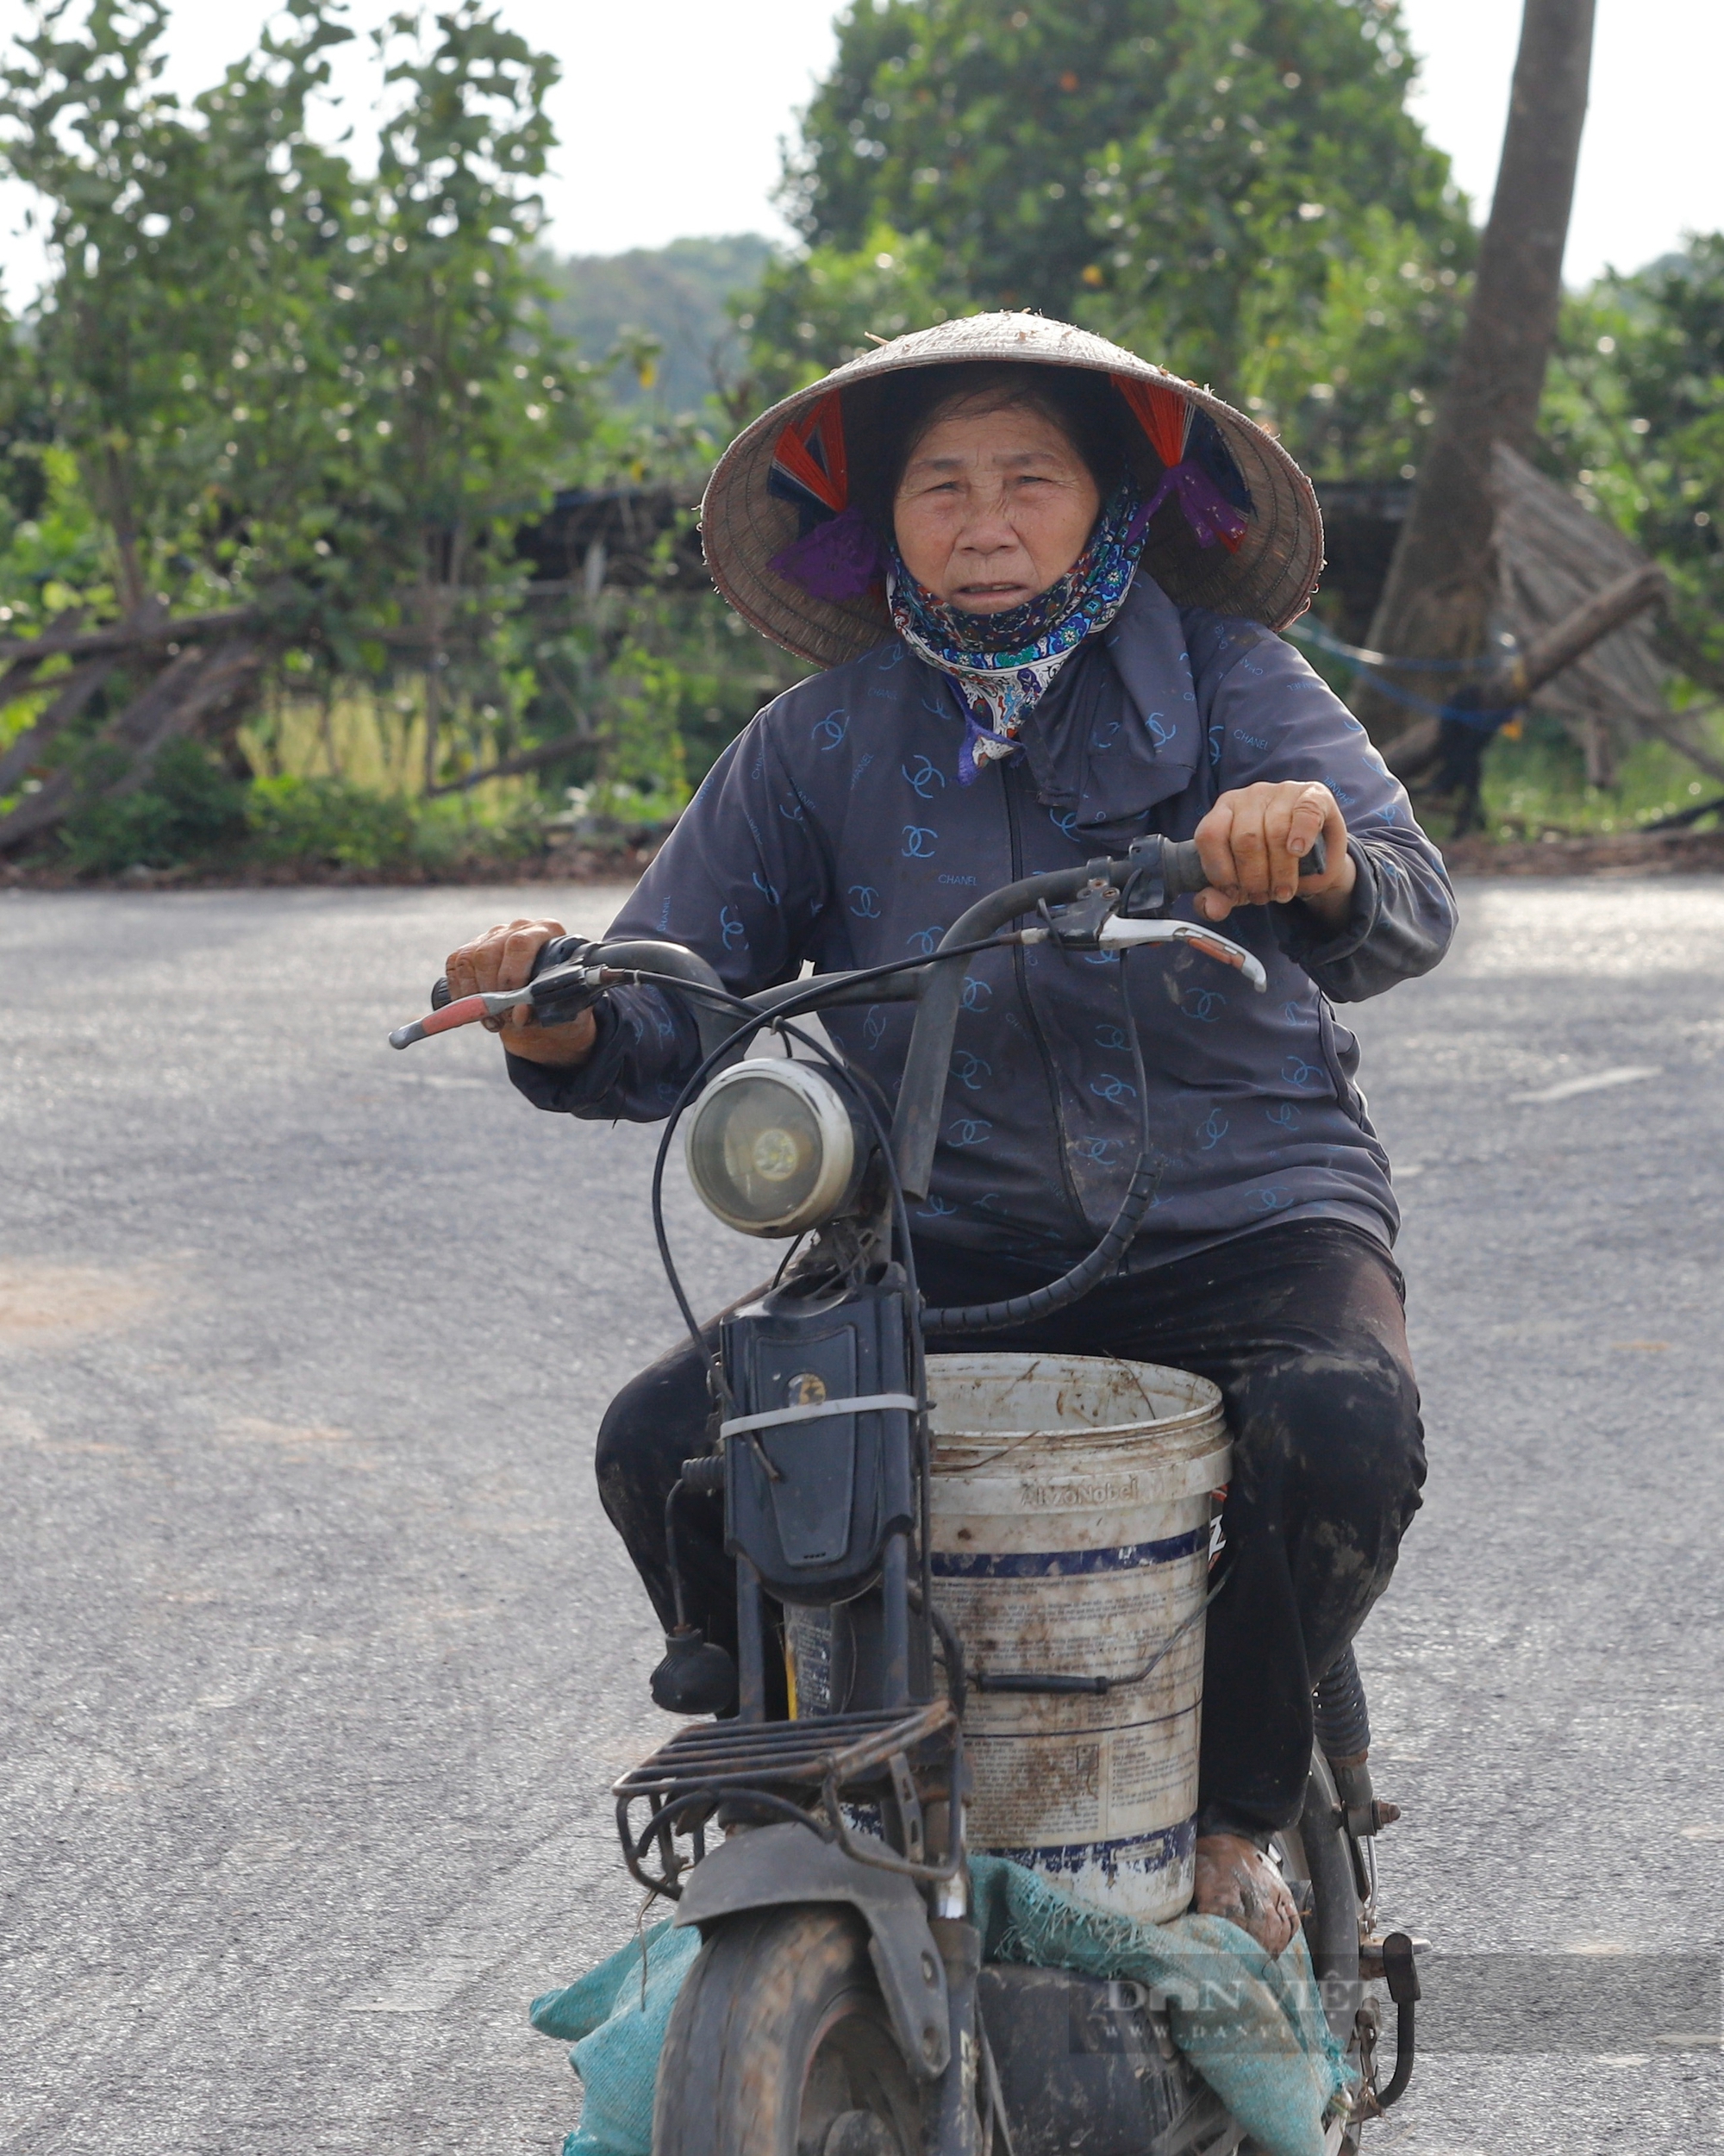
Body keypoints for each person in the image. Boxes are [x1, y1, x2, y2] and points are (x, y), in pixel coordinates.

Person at [446, 316, 1456, 1955]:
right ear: (883, 520)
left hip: (1246, 1213)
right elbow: (665, 1002)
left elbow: (1408, 904)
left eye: (1029, 480)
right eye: (943, 488)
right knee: (668, 1450)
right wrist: (555, 1008)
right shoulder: (814, 744)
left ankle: (1234, 1815)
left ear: (1112, 499)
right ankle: (829, 1781)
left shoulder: (1235, 685)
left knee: (1344, 1436)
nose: (984, 523)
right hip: (941, 1234)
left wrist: (1313, 856)